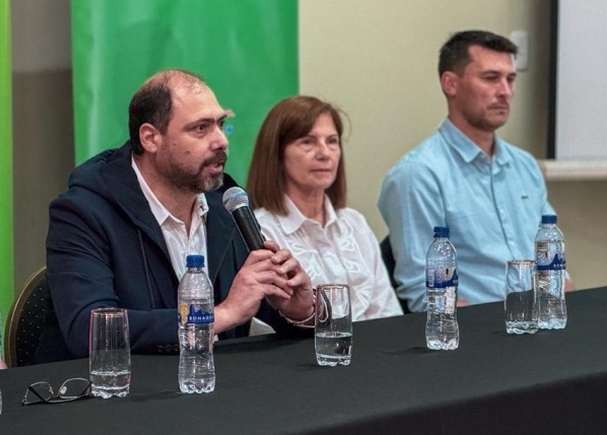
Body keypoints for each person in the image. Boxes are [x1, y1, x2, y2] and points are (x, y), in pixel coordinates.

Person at [39, 69, 315, 362]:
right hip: (114, 394)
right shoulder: (83, 212)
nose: (221, 140)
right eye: (200, 128)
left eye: (221, 124)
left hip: (215, 387)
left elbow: (255, 300)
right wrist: (218, 315)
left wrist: (298, 310)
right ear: (150, 138)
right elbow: (90, 329)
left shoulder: (225, 203)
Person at [378, 30, 564, 312]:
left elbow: (555, 265)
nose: (506, 91)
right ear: (450, 84)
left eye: (510, 79)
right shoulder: (418, 175)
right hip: (477, 340)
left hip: (540, 327)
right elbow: (426, 292)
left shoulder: (524, 166)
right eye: (491, 78)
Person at [247, 96, 402, 321]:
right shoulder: (261, 231)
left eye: (332, 141)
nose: (324, 153)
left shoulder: (354, 223)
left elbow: (388, 311)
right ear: (277, 154)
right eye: (308, 142)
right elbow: (266, 326)